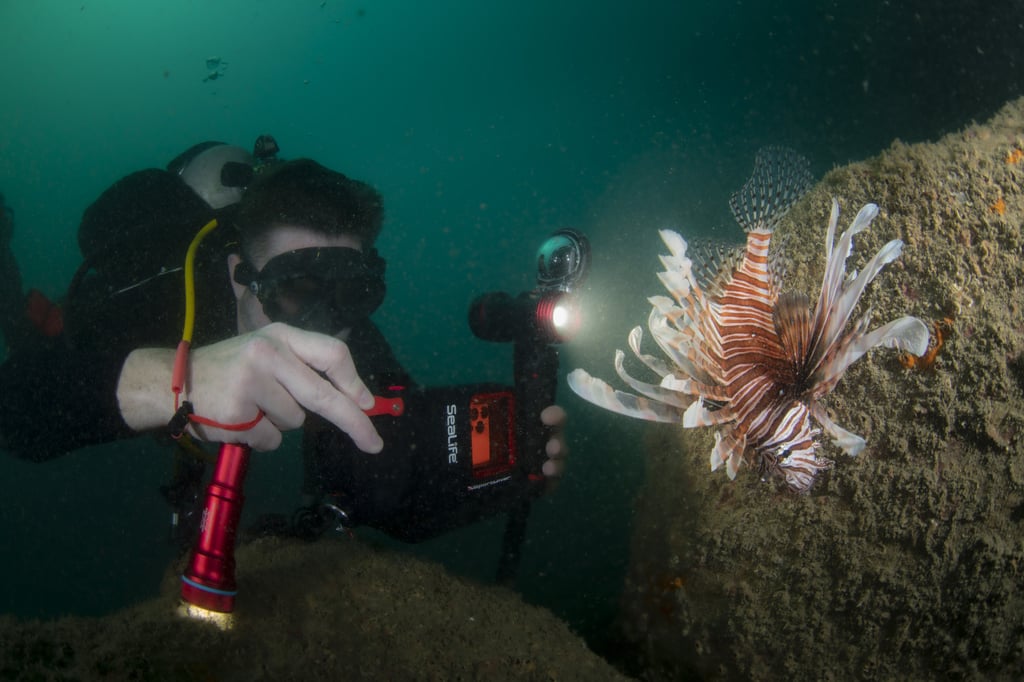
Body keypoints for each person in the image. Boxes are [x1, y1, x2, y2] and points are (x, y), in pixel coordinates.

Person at [0, 143, 567, 544]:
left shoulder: (345, 330)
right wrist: (182, 381)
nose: (326, 323)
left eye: (355, 292)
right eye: (296, 290)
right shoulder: (155, 299)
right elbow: (17, 410)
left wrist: (494, 479)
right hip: (95, 329)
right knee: (34, 332)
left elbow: (386, 493)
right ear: (237, 273)